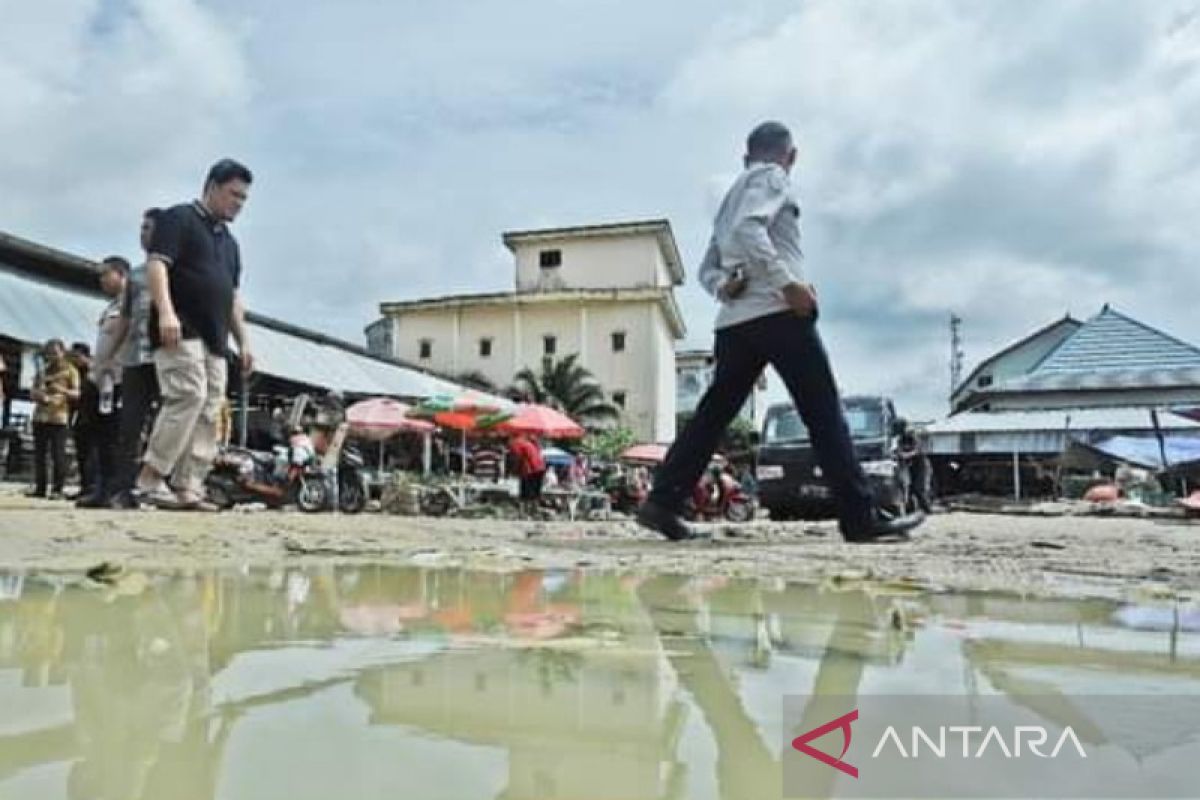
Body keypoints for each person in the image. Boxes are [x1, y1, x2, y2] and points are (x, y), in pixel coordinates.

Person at [637, 122, 925, 542]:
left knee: (710, 418)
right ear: (792, 156)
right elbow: (748, 231)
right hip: (777, 314)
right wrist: (787, 283)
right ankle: (860, 517)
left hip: (736, 323)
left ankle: (661, 503)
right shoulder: (773, 179)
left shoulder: (730, 198)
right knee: (824, 412)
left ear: (744, 156)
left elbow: (708, 268)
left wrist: (723, 286)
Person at [134, 159, 255, 510]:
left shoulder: (230, 245)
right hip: (180, 327)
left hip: (216, 338)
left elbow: (231, 297)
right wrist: (167, 312)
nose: (239, 203)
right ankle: (151, 477)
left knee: (210, 408)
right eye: (234, 194)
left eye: (244, 199)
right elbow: (157, 265)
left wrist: (244, 340)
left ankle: (189, 485)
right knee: (188, 395)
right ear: (213, 186)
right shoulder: (178, 219)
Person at [109, 210, 165, 509]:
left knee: (163, 425)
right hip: (135, 359)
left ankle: (155, 485)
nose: (143, 233)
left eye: (149, 228)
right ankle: (123, 488)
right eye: (141, 228)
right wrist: (107, 356)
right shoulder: (136, 275)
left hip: (165, 359)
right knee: (128, 426)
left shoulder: (177, 271)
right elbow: (125, 319)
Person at [76, 257, 130, 507]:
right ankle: (101, 487)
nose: (101, 280)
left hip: (120, 379)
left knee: (115, 436)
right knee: (98, 436)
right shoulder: (110, 307)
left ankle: (116, 490)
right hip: (102, 379)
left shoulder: (133, 303)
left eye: (105, 274)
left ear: (121, 274)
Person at [28, 340, 80, 499]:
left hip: (59, 418)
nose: (52, 356)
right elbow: (33, 391)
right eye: (49, 353)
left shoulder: (70, 371)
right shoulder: (43, 371)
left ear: (62, 352)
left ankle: (58, 489)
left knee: (58, 455)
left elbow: (77, 394)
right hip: (40, 416)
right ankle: (40, 488)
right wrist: (38, 395)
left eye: (55, 352)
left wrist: (60, 390)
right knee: (39, 455)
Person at [66, 342, 94, 497]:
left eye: (77, 357)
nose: (74, 360)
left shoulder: (93, 372)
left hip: (92, 417)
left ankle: (91, 487)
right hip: (79, 418)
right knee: (81, 455)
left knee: (91, 456)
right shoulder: (73, 372)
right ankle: (84, 488)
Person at [509, 433, 546, 514]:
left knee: (525, 493)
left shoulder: (516, 443)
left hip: (529, 470)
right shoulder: (532, 443)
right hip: (540, 468)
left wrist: (514, 471)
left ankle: (524, 513)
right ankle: (534, 512)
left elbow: (517, 458)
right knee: (535, 493)